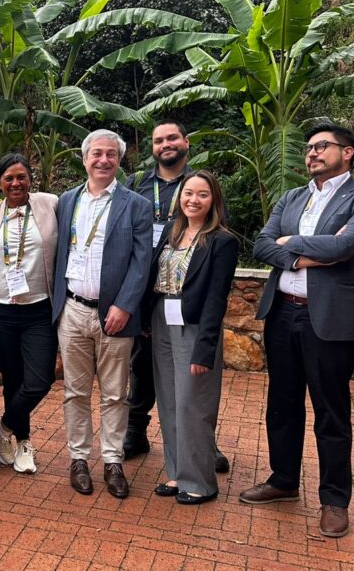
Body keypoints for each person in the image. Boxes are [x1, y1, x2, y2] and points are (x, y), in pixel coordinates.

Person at [243, 122, 354, 538]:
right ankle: (283, 480)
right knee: (282, 404)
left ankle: (334, 500)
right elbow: (261, 244)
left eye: (322, 146)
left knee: (331, 411)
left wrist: (290, 243)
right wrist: (306, 254)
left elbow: (345, 247)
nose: (312, 153)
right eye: (309, 147)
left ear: (348, 152)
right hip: (282, 313)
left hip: (330, 319)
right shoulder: (291, 197)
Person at [123, 121, 229, 473]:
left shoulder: (199, 185)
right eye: (158, 140)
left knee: (194, 381)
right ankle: (135, 430)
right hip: (147, 287)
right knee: (143, 366)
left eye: (172, 138)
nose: (165, 144)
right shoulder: (137, 183)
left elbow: (217, 239)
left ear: (186, 142)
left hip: (187, 290)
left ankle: (202, 444)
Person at [51, 129, 151, 499]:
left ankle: (112, 461)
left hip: (115, 315)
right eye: (97, 153)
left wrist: (125, 305)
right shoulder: (67, 201)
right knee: (75, 392)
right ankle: (78, 459)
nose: (103, 160)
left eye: (111, 154)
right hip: (72, 310)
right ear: (85, 159)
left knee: (114, 394)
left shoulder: (136, 205)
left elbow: (142, 262)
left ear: (119, 160)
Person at [146, 171, 238, 505]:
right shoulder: (171, 232)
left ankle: (200, 482)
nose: (193, 200)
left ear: (213, 200)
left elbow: (216, 298)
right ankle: (177, 472)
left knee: (192, 402)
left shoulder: (222, 241)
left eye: (202, 194)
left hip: (194, 325)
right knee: (169, 401)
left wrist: (205, 349)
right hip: (162, 318)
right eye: (188, 193)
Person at [0, 154, 58, 475]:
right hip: (0, 310)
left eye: (21, 177)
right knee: (13, 380)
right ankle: (23, 443)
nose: (16, 183)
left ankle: (3, 426)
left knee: (40, 380)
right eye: (9, 178)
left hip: (39, 308)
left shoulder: (50, 205)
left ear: (30, 179)